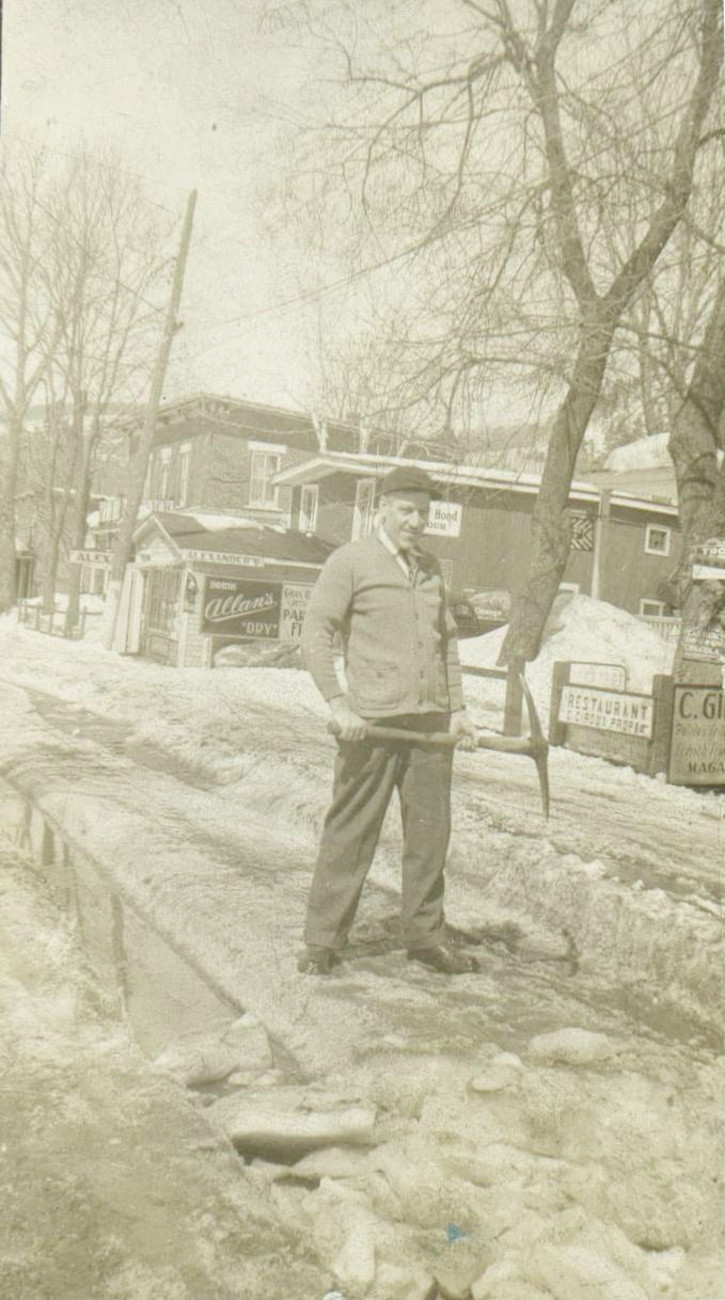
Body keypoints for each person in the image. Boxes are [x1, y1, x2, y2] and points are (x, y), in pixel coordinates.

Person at [298, 465, 480, 976]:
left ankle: (424, 935)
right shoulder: (350, 562)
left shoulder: (433, 570)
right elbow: (316, 635)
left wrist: (459, 709)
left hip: (429, 725)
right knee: (351, 830)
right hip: (371, 724)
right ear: (380, 508)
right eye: (406, 510)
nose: (416, 521)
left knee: (429, 834)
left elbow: (447, 645)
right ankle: (322, 940)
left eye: (424, 512)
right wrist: (338, 702)